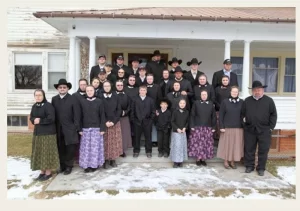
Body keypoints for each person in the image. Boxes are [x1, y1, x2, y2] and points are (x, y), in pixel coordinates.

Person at [241, 81, 277, 176]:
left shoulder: (269, 101)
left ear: (263, 90)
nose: (257, 92)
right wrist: (245, 126)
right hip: (250, 130)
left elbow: (273, 115)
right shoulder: (247, 101)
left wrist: (271, 127)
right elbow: (242, 114)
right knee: (249, 149)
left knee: (263, 150)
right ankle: (249, 166)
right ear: (252, 91)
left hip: (264, 130)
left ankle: (261, 168)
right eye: (255, 90)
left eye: (259, 90)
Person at [51, 79, 81, 175]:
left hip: (70, 128)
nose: (62, 89)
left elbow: (77, 114)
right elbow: (53, 114)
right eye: (60, 87)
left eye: (64, 87)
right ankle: (62, 165)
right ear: (57, 89)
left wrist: (76, 126)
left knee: (70, 148)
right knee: (60, 147)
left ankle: (69, 166)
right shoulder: (54, 99)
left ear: (67, 88)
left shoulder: (73, 99)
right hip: (58, 128)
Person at [30, 89, 60, 181]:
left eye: (40, 95)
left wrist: (40, 121)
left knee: (47, 153)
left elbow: (51, 118)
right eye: (36, 95)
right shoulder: (34, 106)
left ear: (43, 96)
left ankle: (48, 172)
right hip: (38, 133)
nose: (38, 97)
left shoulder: (48, 106)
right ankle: (42, 172)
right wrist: (33, 120)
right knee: (39, 152)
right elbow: (32, 117)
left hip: (48, 133)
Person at [78, 85, 106, 173]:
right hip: (85, 129)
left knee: (94, 148)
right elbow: (79, 116)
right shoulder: (82, 102)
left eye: (91, 90)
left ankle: (94, 165)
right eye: (88, 90)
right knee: (86, 148)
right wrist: (80, 129)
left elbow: (102, 116)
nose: (89, 92)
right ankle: (86, 165)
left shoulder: (99, 102)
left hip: (96, 128)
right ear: (86, 92)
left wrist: (102, 128)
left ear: (94, 91)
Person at [217, 86, 244, 169]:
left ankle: (232, 161)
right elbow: (221, 115)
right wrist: (221, 126)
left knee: (235, 145)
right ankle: (225, 161)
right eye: (233, 91)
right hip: (227, 127)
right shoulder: (225, 102)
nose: (234, 93)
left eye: (236, 92)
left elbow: (244, 114)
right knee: (227, 145)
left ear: (238, 93)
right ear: (230, 92)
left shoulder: (242, 102)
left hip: (238, 127)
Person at [188, 90, 216, 166]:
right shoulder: (196, 103)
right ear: (200, 95)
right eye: (202, 94)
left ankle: (203, 159)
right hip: (197, 126)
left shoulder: (211, 104)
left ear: (207, 95)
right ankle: (198, 158)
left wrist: (214, 126)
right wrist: (192, 125)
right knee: (197, 143)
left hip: (208, 127)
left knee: (205, 144)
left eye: (205, 94)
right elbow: (192, 115)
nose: (204, 96)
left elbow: (213, 116)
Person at [100, 81, 123, 168]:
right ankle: (105, 160)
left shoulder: (116, 96)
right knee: (105, 142)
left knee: (114, 142)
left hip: (114, 122)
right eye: (105, 86)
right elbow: (100, 111)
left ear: (111, 86)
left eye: (108, 86)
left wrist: (113, 121)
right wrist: (105, 122)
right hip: (104, 123)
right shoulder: (100, 97)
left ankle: (112, 160)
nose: (106, 87)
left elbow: (119, 110)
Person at [130, 85, 156, 158]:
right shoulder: (134, 99)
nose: (142, 92)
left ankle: (148, 151)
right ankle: (136, 150)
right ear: (139, 91)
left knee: (148, 137)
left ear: (146, 91)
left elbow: (153, 111)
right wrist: (133, 120)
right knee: (137, 137)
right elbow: (132, 111)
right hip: (137, 122)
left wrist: (150, 120)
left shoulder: (150, 100)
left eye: (144, 90)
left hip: (147, 122)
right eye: (141, 90)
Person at [72, 78, 88, 163]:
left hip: (88, 121)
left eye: (84, 84)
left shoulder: (90, 94)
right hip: (78, 120)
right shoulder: (74, 96)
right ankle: (78, 158)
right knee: (78, 141)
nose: (83, 86)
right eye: (81, 84)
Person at [170, 98, 189, 168]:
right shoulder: (175, 112)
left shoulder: (187, 112)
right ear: (178, 104)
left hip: (183, 132)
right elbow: (172, 121)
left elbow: (187, 121)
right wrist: (177, 128)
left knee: (181, 146)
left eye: (183, 103)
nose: (182, 104)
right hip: (176, 132)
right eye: (181, 103)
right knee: (176, 146)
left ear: (185, 104)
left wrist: (185, 128)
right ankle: (175, 161)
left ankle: (180, 161)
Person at [115, 80, 132, 157]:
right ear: (115, 86)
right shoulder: (112, 95)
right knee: (115, 135)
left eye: (121, 85)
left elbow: (129, 106)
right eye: (118, 85)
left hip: (124, 117)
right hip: (115, 118)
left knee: (124, 135)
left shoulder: (127, 95)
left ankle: (122, 150)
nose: (120, 86)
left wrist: (125, 112)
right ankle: (115, 150)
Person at [214, 75, 231, 141]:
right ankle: (217, 139)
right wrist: (220, 106)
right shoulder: (217, 89)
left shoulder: (231, 89)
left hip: (228, 110)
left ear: (228, 81)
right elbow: (214, 99)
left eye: (226, 80)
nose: (225, 81)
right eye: (223, 80)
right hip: (218, 109)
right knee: (218, 125)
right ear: (221, 81)